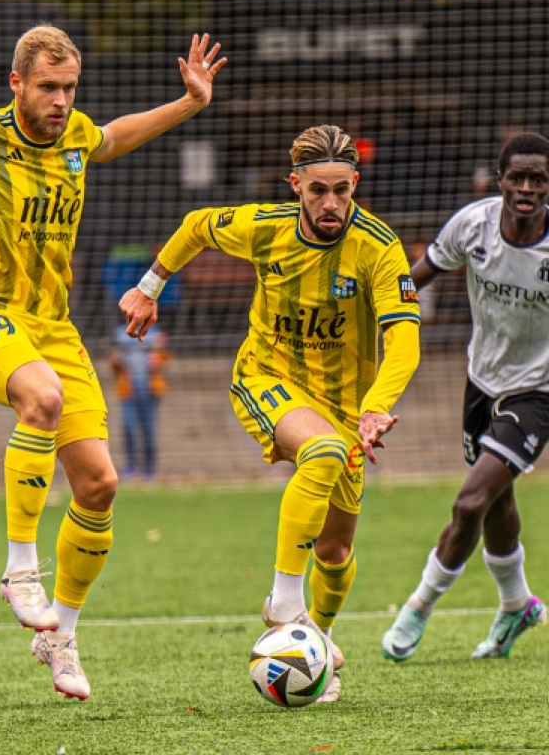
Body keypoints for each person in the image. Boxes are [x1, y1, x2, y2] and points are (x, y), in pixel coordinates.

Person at [0, 0, 226, 701]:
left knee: (100, 484)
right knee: (42, 399)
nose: (61, 101)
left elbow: (113, 135)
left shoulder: (78, 136)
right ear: (16, 83)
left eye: (69, 88)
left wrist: (188, 103)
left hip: (53, 328)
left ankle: (61, 635)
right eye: (48, 87)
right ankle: (19, 567)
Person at [119, 124, 421, 703]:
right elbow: (197, 225)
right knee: (324, 450)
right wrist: (149, 287)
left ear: (355, 184)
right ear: (296, 187)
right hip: (266, 377)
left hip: (345, 405)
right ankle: (285, 604)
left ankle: (314, 644)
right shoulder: (266, 227)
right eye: (317, 191)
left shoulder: (380, 247)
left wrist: (376, 408)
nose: (330, 203)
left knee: (335, 551)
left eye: (341, 189)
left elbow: (404, 340)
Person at [381, 131, 549, 663]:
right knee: (497, 502)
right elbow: (419, 277)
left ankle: (418, 606)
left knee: (470, 501)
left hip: (537, 392)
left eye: (538, 179)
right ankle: (516, 604)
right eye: (517, 177)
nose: (526, 187)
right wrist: (386, 310)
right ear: (500, 179)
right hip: (480, 381)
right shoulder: (472, 225)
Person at [108, 324, 169, 481]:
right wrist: (115, 361)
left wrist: (159, 352)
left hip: (149, 390)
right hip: (128, 390)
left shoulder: (155, 333)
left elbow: (164, 360)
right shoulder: (120, 333)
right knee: (128, 428)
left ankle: (149, 468)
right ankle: (131, 465)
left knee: (149, 430)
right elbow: (113, 364)